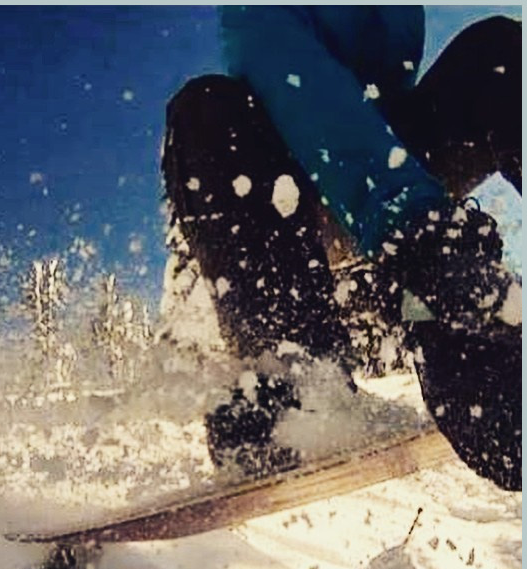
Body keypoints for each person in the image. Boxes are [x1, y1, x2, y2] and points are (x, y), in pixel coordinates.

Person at [161, 7, 521, 490]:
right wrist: (425, 244)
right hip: (287, 227)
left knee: (502, 54)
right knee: (206, 110)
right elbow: (289, 71)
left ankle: (430, 304)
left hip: (385, 196)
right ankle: (301, 382)